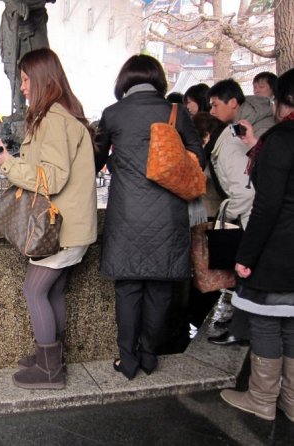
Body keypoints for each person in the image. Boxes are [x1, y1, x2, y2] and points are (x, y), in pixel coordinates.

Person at [0, 47, 97, 389]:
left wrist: (7, 164)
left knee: (33, 290)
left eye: (26, 79)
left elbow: (52, 177)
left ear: (43, 79)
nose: (23, 87)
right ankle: (50, 358)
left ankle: (49, 371)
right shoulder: (58, 116)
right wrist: (11, 158)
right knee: (54, 291)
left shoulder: (54, 119)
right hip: (70, 227)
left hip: (61, 228)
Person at [95, 55, 204, 380]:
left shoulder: (113, 114)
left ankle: (127, 361)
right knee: (160, 290)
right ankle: (149, 356)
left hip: (127, 215)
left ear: (124, 80)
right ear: (157, 80)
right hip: (168, 216)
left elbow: (96, 159)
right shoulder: (175, 112)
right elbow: (198, 156)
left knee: (128, 289)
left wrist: (118, 163)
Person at [220, 67, 294, 423]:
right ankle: (292, 402)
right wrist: (253, 144)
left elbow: (267, 204)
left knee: (266, 321)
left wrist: (245, 255)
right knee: (293, 323)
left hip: (277, 248)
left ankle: (262, 399)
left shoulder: (282, 139)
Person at [206, 78, 275, 347]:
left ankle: (242, 331)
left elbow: (245, 192)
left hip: (249, 220)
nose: (212, 111)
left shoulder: (232, 141)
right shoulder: (240, 132)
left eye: (215, 105)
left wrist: (228, 212)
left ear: (233, 102)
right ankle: (240, 329)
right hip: (255, 217)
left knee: (245, 275)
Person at [0, 0, 56, 117]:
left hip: (36, 18)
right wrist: (13, 3)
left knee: (40, 66)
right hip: (12, 19)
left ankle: (41, 108)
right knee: (12, 66)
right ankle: (19, 109)